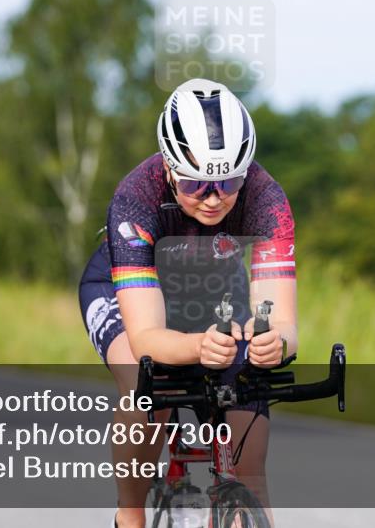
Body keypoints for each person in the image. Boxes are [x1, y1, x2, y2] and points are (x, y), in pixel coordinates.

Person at [79, 79, 298, 528]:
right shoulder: (135, 198)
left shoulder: (266, 198)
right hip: (131, 290)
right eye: (198, 183)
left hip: (214, 287)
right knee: (146, 386)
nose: (215, 197)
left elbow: (283, 322)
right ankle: (131, 514)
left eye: (229, 180)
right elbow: (145, 339)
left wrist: (274, 344)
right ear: (171, 167)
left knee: (250, 457)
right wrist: (199, 347)